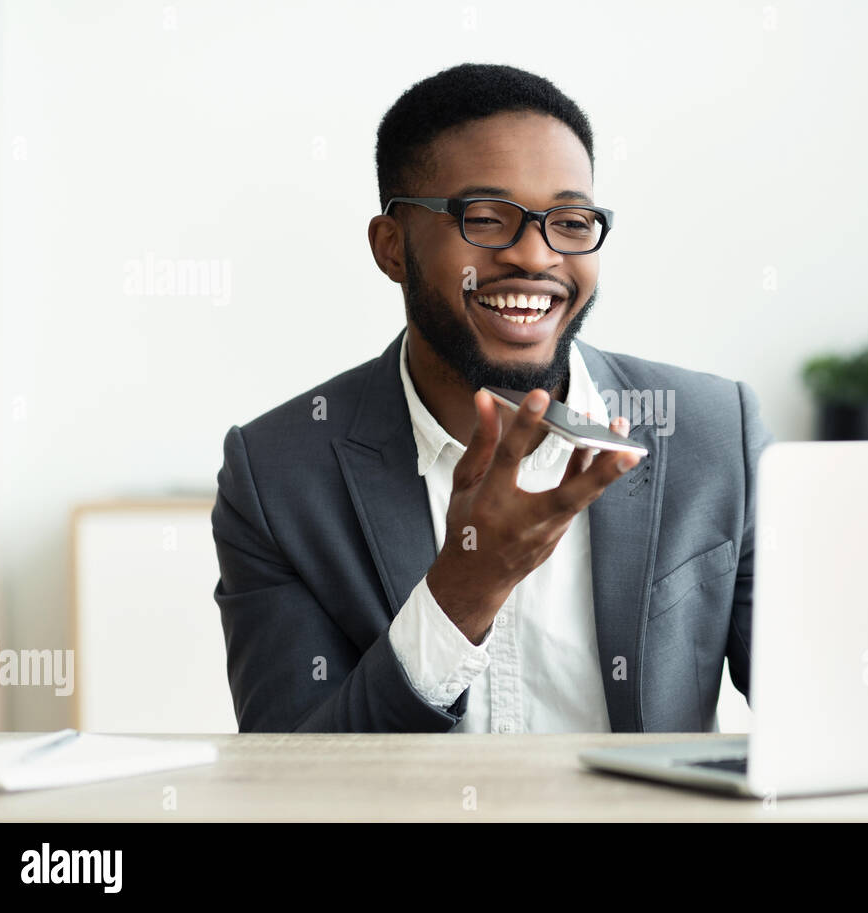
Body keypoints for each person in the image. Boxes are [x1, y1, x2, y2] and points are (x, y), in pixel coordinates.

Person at [210, 63, 773, 733]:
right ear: (392, 247)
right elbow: (292, 780)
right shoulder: (277, 475)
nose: (535, 257)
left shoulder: (713, 436)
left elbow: (825, 714)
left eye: (569, 221)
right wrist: (463, 593)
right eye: (485, 218)